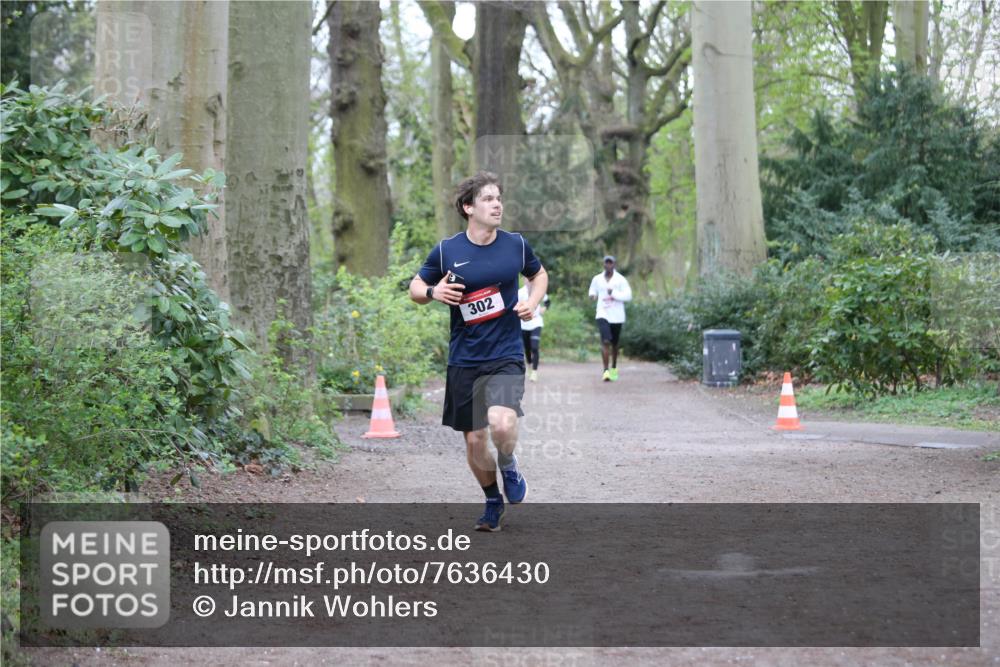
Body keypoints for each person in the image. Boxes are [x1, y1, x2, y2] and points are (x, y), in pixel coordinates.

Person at [409, 171, 549, 532]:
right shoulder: (448, 250)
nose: (497, 204)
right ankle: (492, 501)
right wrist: (433, 293)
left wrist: (532, 302)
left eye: (499, 198)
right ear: (468, 207)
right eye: (488, 199)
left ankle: (508, 463)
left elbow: (539, 275)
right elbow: (416, 286)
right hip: (465, 358)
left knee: (501, 423)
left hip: (505, 352)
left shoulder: (515, 245)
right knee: (474, 439)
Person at [588, 255, 632, 382]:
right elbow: (592, 289)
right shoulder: (597, 279)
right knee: (605, 341)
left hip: (617, 316)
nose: (608, 265)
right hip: (602, 313)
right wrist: (592, 295)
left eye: (610, 263)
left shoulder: (621, 280)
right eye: (606, 263)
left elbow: (628, 296)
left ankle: (614, 367)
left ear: (614, 264)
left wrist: (613, 293)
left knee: (614, 344)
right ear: (603, 264)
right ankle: (605, 371)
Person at [518, 283, 549, 382]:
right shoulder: (520, 292)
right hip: (524, 324)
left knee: (534, 347)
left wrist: (545, 308)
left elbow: (547, 302)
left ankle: (534, 372)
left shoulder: (538, 289)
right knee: (527, 349)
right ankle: (529, 364)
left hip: (536, 322)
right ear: (524, 279)